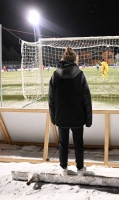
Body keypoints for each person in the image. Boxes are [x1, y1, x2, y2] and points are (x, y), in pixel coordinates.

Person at [48, 47, 92, 176]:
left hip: (61, 116)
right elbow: (87, 99)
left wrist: (54, 118)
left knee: (63, 143)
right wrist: (88, 119)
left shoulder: (55, 75)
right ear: (74, 59)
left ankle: (63, 168)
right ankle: (80, 169)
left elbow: (51, 100)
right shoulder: (80, 74)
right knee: (78, 143)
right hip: (78, 116)